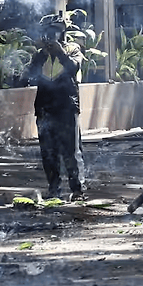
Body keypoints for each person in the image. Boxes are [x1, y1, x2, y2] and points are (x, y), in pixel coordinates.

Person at [27, 16, 85, 201]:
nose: (51, 36)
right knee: (48, 152)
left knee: (71, 151)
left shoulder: (72, 49)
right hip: (45, 107)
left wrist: (60, 52)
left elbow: (73, 68)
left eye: (54, 31)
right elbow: (29, 76)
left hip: (67, 106)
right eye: (47, 31)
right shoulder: (40, 54)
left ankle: (77, 190)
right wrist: (42, 53)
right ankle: (54, 190)